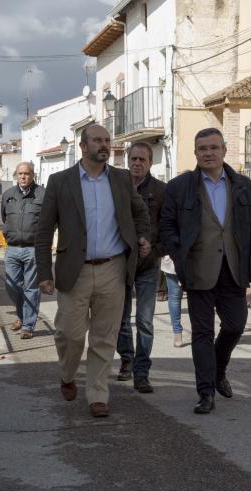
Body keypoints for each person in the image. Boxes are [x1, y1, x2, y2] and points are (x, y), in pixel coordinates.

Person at [35, 124, 151, 418]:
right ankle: (67, 373)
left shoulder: (122, 179)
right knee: (69, 333)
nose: (104, 145)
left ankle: (98, 394)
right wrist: (44, 273)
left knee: (104, 336)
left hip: (113, 267)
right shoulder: (61, 181)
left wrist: (141, 236)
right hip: (75, 270)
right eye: (98, 140)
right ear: (83, 146)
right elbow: (45, 228)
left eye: (107, 140)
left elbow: (140, 213)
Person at [160, 128, 251, 414]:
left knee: (235, 325)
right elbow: (167, 226)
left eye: (213, 147)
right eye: (202, 149)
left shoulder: (242, 185)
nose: (208, 153)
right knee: (202, 334)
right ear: (195, 153)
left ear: (224, 150)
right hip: (197, 270)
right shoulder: (180, 186)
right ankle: (205, 392)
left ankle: (218, 370)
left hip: (234, 269)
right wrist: (177, 252)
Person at [116, 142, 167, 392]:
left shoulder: (160, 191)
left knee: (145, 321)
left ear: (150, 162)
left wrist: (155, 249)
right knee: (120, 319)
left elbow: (168, 229)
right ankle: (127, 358)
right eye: (133, 158)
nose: (137, 163)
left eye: (142, 160)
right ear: (127, 160)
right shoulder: (115, 186)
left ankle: (142, 371)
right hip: (119, 265)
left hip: (148, 266)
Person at [0, 162, 46, 339]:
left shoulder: (42, 194)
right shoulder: (8, 195)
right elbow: (3, 218)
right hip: (12, 248)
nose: (23, 177)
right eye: (20, 174)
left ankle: (28, 325)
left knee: (31, 289)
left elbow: (51, 220)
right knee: (11, 286)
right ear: (15, 175)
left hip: (33, 249)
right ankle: (21, 315)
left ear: (33, 175)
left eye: (26, 173)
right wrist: (6, 233)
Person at [161, 255, 186, 347]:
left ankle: (177, 335)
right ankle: (178, 333)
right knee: (175, 297)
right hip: (188, 258)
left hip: (173, 257)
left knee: (174, 297)